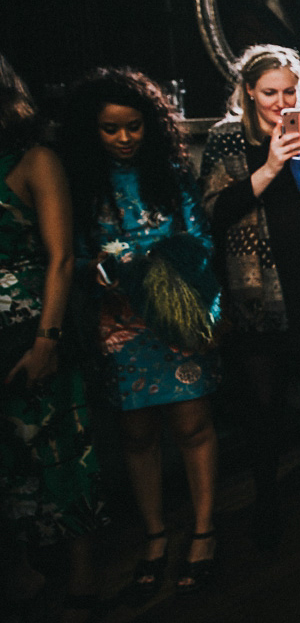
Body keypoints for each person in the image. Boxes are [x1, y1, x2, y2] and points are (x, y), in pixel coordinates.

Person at [60, 68, 222, 597]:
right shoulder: (80, 185)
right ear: (92, 131)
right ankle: (154, 533)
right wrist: (102, 271)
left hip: (175, 320)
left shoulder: (170, 174)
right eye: (112, 129)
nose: (126, 138)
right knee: (137, 433)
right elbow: (73, 256)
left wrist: (174, 279)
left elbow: (200, 239)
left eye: (134, 127)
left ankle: (202, 530)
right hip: (121, 323)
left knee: (192, 424)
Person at [200, 45, 300, 547]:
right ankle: (266, 500)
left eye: (290, 91)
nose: (281, 101)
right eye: (270, 92)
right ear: (249, 91)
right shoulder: (226, 139)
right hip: (258, 297)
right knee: (263, 410)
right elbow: (214, 209)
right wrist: (271, 165)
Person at [1, 54, 105, 621]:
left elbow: (62, 258)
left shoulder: (35, 158)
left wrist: (47, 340)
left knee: (61, 448)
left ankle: (84, 580)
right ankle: (21, 576)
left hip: (31, 326)